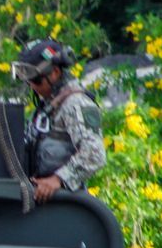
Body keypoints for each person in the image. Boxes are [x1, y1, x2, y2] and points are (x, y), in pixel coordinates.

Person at [10, 38, 105, 203]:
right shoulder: (48, 104)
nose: (31, 85)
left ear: (55, 73)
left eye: (36, 79)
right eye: (28, 80)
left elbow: (94, 153)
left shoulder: (77, 103)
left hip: (65, 203)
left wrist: (58, 179)